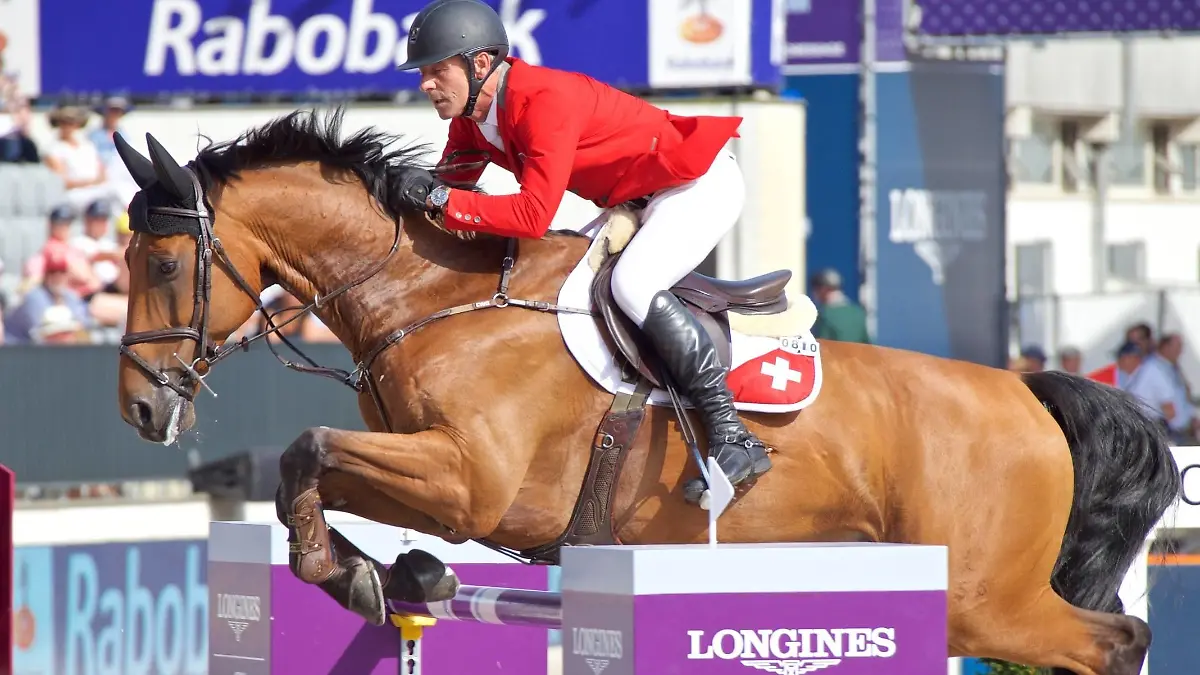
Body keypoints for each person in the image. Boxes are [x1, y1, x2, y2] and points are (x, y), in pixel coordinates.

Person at [391, 0, 770, 499]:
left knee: (632, 285)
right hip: (635, 200)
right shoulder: (471, 118)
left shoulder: (542, 99)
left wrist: (440, 197)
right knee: (560, 287)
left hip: (694, 184)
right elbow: (446, 196)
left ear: (480, 64)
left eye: (437, 70)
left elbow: (531, 216)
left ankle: (732, 434)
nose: (425, 84)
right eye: (423, 72)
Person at [809, 268, 870, 343]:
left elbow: (821, 345)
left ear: (823, 289)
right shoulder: (858, 312)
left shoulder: (825, 314)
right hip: (857, 354)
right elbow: (867, 343)